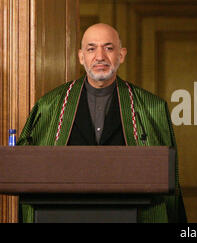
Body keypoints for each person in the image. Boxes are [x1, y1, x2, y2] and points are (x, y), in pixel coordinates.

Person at [17, 23, 186, 223]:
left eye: (108, 48)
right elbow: (24, 169)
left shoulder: (151, 107)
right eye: (91, 48)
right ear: (81, 56)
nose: (100, 56)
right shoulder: (49, 105)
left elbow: (168, 179)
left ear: (121, 55)